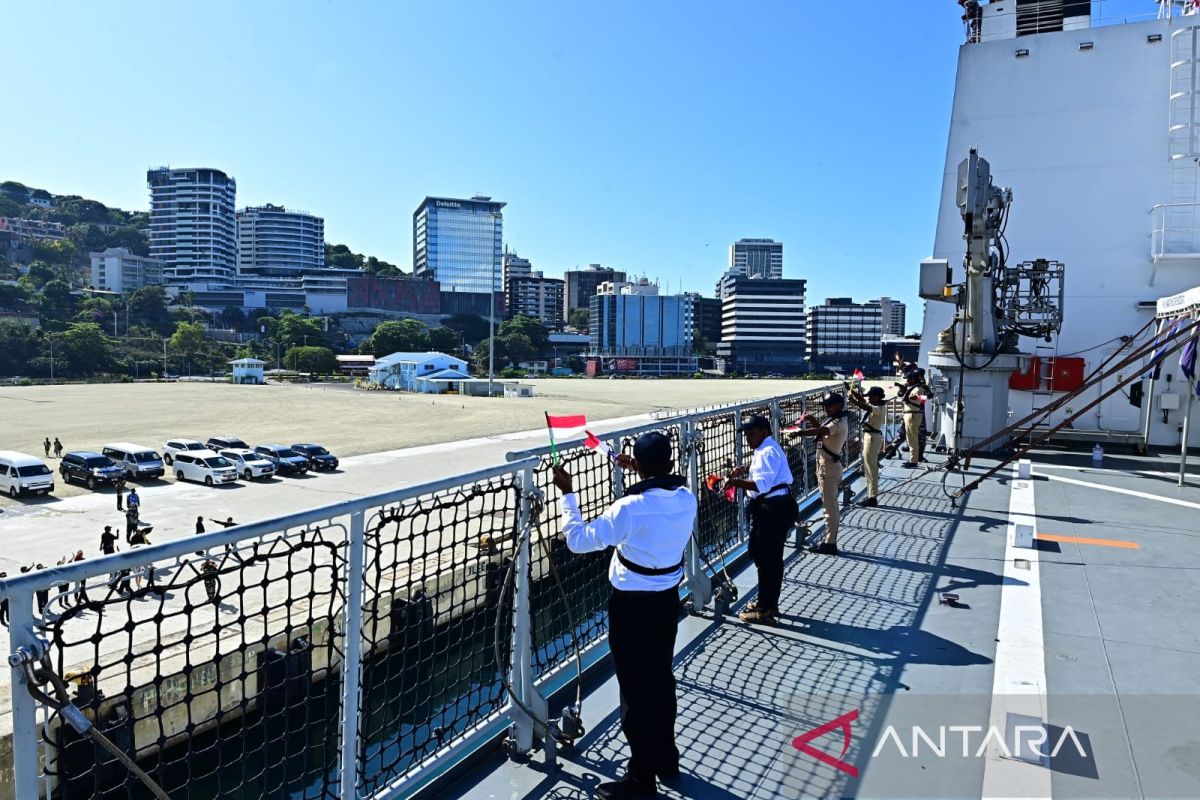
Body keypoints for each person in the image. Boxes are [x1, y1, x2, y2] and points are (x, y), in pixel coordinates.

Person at [552, 432, 696, 799]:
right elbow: (658, 494)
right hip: (667, 602)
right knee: (661, 682)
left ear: (642, 465)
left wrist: (567, 494)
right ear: (668, 461)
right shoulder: (687, 498)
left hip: (632, 607)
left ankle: (640, 779)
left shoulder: (629, 509)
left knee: (634, 690)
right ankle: (667, 758)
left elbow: (579, 540)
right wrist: (642, 471)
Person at [722, 414, 797, 624]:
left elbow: (762, 485)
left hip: (772, 510)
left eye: (751, 433)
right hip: (777, 508)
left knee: (767, 560)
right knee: (767, 557)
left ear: (764, 431)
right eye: (746, 434)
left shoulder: (766, 452)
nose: (748, 438)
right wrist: (745, 469)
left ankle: (765, 608)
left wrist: (735, 482)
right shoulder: (766, 449)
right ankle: (769, 602)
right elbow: (766, 472)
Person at [789, 393, 849, 556]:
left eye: (829, 405)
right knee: (830, 504)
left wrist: (799, 433)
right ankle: (830, 540)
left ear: (838, 405)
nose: (826, 408)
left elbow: (823, 430)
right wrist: (811, 420)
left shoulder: (837, 423)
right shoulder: (836, 420)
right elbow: (822, 433)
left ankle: (830, 543)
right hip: (829, 465)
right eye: (825, 405)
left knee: (830, 508)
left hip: (828, 468)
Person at [849, 386, 888, 508]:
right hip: (870, 437)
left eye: (871, 396)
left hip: (872, 438)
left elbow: (866, 406)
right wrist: (853, 393)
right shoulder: (877, 405)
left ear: (877, 397)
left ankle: (872, 497)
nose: (869, 398)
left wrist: (854, 402)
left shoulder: (879, 408)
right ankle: (871, 494)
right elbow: (864, 401)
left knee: (871, 469)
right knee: (869, 467)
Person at [899, 369, 926, 468]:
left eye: (909, 379)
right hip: (913, 414)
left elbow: (915, 397)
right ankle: (913, 459)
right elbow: (923, 400)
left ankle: (913, 461)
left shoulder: (917, 389)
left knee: (912, 439)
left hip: (912, 415)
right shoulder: (917, 387)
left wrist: (906, 392)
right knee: (911, 438)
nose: (907, 381)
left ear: (913, 379)